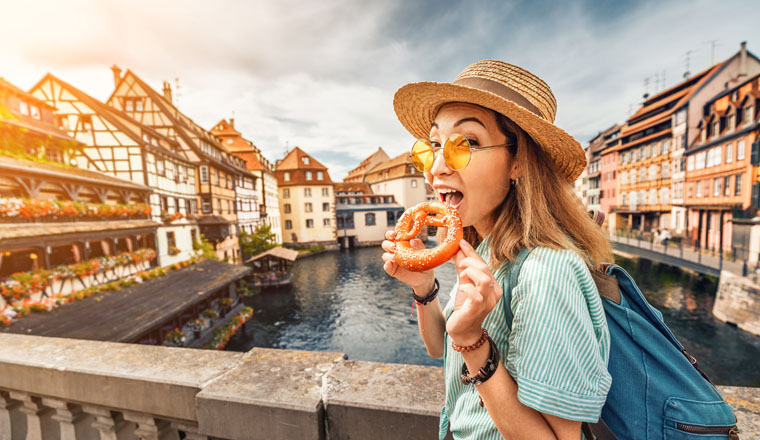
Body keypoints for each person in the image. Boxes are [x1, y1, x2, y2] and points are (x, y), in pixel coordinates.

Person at [381, 60, 614, 439]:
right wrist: (424, 289)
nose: (436, 167)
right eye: (434, 145)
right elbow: (442, 347)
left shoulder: (546, 271)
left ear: (518, 161)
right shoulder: (485, 250)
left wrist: (476, 344)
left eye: (466, 143)